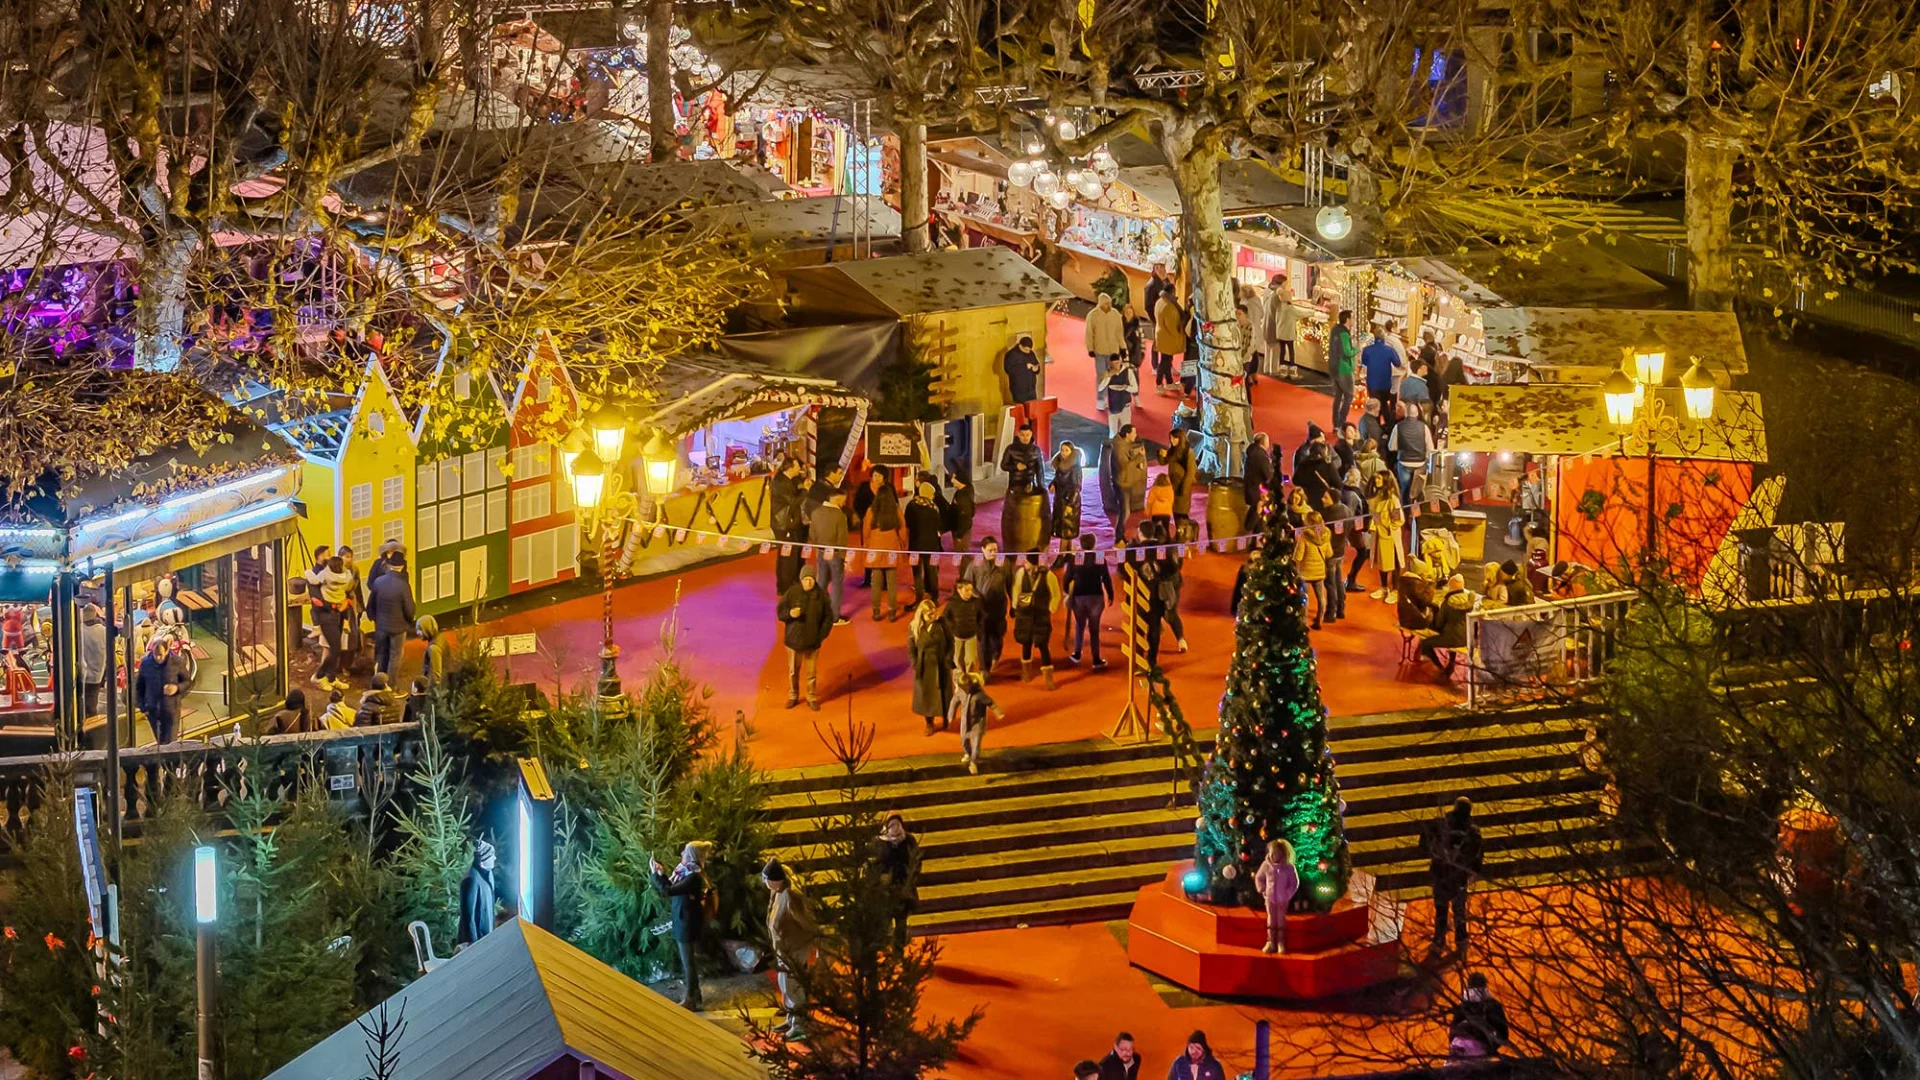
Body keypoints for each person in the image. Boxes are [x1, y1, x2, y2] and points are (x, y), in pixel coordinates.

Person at [649, 841, 715, 1009]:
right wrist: (661, 873)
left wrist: (655, 874)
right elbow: (672, 887)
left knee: (688, 963)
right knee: (688, 961)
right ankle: (696, 995)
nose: (682, 854)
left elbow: (669, 891)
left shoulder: (693, 877)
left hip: (688, 923)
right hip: (683, 921)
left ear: (691, 855)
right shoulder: (685, 872)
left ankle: (690, 998)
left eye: (685, 851)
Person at [762, 858, 819, 1039]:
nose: (765, 882)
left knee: (793, 985)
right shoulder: (776, 893)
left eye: (766, 879)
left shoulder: (791, 896)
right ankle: (791, 1017)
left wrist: (817, 936)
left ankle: (800, 1024)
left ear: (775, 880)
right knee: (784, 984)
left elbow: (805, 920)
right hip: (783, 949)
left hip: (795, 948)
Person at [1423, 797, 1484, 955]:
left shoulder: (1441, 826)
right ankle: (1461, 941)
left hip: (1441, 874)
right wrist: (1473, 873)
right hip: (1459, 877)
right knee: (1459, 911)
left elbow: (1424, 843)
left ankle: (1439, 941)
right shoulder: (1473, 832)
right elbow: (1477, 856)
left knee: (1441, 910)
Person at [779, 564, 834, 711]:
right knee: (793, 671)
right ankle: (793, 695)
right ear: (801, 579)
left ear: (815, 580)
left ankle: (811, 697)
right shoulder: (792, 592)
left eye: (810, 579)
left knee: (811, 673)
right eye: (805, 579)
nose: (808, 582)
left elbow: (828, 618)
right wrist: (790, 614)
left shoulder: (821, 595)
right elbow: (780, 612)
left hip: (812, 642)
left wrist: (820, 635)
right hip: (793, 641)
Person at [869, 814, 922, 947]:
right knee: (885, 919)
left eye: (897, 824)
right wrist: (879, 880)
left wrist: (910, 878)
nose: (895, 828)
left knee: (901, 919)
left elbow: (916, 860)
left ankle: (899, 947)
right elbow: (873, 864)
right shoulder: (878, 843)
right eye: (891, 825)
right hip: (885, 889)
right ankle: (884, 946)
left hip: (903, 886)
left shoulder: (908, 840)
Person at [863, 470, 907, 621]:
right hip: (892, 547)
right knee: (891, 582)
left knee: (875, 582)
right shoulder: (896, 510)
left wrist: (867, 546)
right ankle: (892, 611)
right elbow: (902, 529)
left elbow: (866, 531)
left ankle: (876, 611)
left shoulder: (871, 511)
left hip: (875, 547)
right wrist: (903, 545)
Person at [1012, 554, 1060, 689]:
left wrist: (1050, 608)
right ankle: (1026, 672)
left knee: (1043, 645)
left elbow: (1056, 594)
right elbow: (1016, 589)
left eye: (1027, 562)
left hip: (1041, 615)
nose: (1024, 564)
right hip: (1025, 614)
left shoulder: (1048, 575)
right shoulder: (1021, 573)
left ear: (1033, 563)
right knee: (1026, 643)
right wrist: (1015, 606)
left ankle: (1048, 678)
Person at [965, 539, 1011, 678]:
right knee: (982, 638)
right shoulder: (974, 565)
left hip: (998, 608)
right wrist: (974, 598)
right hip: (981, 609)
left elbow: (1010, 584)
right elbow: (967, 584)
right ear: (982, 549)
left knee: (996, 636)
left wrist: (1014, 604)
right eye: (990, 550)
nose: (993, 553)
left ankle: (996, 654)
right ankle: (984, 669)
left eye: (995, 550)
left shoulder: (1004, 564)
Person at [908, 600, 954, 735]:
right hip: (924, 667)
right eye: (929, 614)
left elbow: (951, 642)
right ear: (922, 614)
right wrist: (915, 664)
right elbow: (911, 649)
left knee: (944, 694)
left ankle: (946, 718)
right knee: (926, 696)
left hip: (941, 664)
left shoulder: (942, 624)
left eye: (934, 613)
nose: (933, 616)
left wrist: (948, 658)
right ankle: (929, 723)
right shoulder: (914, 628)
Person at [367, 552, 415, 679]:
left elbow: (371, 604)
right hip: (398, 627)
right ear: (402, 567)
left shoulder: (378, 582)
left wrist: (374, 618)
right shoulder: (403, 585)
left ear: (389, 565)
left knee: (381, 654)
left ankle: (378, 682)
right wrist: (408, 621)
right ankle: (391, 685)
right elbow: (409, 609)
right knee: (395, 656)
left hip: (381, 626)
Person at [135, 635, 188, 745]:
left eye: (161, 655)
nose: (158, 658)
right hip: (152, 710)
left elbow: (188, 682)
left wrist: (177, 688)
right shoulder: (145, 663)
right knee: (160, 742)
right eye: (156, 655)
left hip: (171, 710)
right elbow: (139, 687)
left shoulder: (177, 662)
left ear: (167, 651)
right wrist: (143, 707)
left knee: (171, 743)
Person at [311, 553, 353, 691]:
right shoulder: (346, 576)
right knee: (335, 648)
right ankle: (319, 676)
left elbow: (313, 581)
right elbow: (349, 589)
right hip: (333, 614)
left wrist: (307, 573)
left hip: (331, 614)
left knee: (334, 648)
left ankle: (331, 677)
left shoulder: (324, 575)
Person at [948, 671, 1003, 775]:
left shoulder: (979, 694)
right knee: (964, 740)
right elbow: (954, 702)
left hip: (977, 721)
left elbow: (990, 703)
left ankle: (973, 762)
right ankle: (968, 754)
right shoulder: (960, 693)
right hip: (965, 720)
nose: (964, 689)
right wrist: (951, 715)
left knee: (976, 743)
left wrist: (998, 712)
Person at [809, 489, 851, 623]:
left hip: (820, 551)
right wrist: (843, 557)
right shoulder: (840, 516)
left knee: (821, 582)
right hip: (835, 553)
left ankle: (818, 612)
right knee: (837, 584)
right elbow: (842, 539)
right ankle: (834, 616)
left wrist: (818, 547)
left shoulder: (815, 513)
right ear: (837, 499)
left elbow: (812, 535)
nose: (844, 504)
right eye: (843, 501)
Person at [1421, 573, 1474, 674]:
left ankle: (1440, 667)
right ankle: (1451, 664)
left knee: (1425, 643)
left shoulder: (1447, 603)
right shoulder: (1469, 601)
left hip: (1453, 639)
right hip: (1467, 637)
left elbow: (1439, 624)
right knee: (1451, 637)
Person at [1448, 972, 1510, 1057]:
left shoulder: (1462, 1005)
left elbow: (1453, 1027)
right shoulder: (1493, 1005)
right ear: (1485, 985)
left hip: (1457, 1044)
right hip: (1481, 1046)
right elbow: (1503, 1033)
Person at [1254, 839, 1300, 953]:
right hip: (1270, 899)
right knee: (1271, 920)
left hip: (1282, 900)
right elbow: (1259, 877)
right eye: (1271, 853)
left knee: (1280, 920)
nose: (1273, 856)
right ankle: (1270, 941)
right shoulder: (1266, 865)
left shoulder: (1289, 867)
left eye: (1276, 853)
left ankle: (1280, 942)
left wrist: (1287, 895)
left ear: (1282, 854)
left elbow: (1294, 883)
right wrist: (1263, 889)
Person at [1103, 424, 1148, 540]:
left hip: (1125, 480)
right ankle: (1119, 536)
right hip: (1122, 483)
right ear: (1127, 434)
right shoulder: (1119, 448)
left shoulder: (1122, 444)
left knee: (1125, 510)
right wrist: (1139, 457)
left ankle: (1120, 534)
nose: (1136, 435)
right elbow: (1124, 467)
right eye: (1134, 433)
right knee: (1125, 511)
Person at [1367, 472, 1406, 604]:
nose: (1376, 480)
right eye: (1375, 478)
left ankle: (1395, 589)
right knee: (1381, 562)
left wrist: (1389, 529)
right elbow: (1375, 515)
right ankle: (1383, 587)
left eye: (1379, 478)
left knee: (1394, 562)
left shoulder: (1392, 499)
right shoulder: (1377, 497)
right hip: (1379, 534)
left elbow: (1398, 519)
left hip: (1390, 535)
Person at [906, 481, 947, 605]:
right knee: (932, 572)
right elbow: (938, 525)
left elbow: (907, 522)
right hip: (931, 546)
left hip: (915, 545)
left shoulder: (911, 505)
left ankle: (919, 598)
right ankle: (935, 597)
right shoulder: (933, 508)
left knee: (917, 573)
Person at [771, 457, 808, 594]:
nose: (799, 469)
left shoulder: (792, 480)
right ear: (790, 468)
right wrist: (805, 491)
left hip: (792, 522)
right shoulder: (780, 482)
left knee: (793, 554)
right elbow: (792, 501)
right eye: (797, 466)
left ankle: (790, 583)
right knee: (788, 556)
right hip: (784, 524)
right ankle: (786, 586)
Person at [1388, 401, 1433, 505]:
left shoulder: (1398, 427)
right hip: (1420, 463)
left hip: (1404, 462)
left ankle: (1406, 509)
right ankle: (1418, 509)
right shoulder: (1424, 427)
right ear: (1417, 413)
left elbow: (1391, 447)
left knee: (1405, 489)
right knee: (1418, 490)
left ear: (1405, 414)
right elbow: (1430, 448)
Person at [456, 838, 498, 947]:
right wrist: (473, 944)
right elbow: (468, 916)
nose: (495, 858)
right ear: (484, 859)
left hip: (486, 937)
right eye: (491, 855)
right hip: (476, 941)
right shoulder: (471, 880)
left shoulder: (488, 875)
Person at [1319, 491, 1353, 623]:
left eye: (1326, 497)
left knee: (1330, 583)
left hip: (1330, 552)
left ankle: (1331, 611)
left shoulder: (1328, 515)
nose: (1322, 499)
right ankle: (1341, 609)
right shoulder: (1346, 510)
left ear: (1332, 499)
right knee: (1338, 580)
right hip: (1340, 551)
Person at [1359, 327, 1403, 426]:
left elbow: (1364, 362)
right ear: (1384, 337)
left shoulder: (1367, 350)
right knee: (1384, 404)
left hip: (1372, 383)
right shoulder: (1389, 350)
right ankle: (1389, 425)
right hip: (1385, 383)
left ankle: (1376, 427)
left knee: (1375, 406)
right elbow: (1397, 363)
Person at [1298, 512, 1334, 629]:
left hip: (1305, 573)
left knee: (1305, 598)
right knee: (1321, 597)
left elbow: (1298, 556)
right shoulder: (1325, 535)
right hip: (1319, 572)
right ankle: (1319, 621)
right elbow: (1329, 553)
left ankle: (1304, 623)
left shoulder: (1304, 536)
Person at [1084, 292, 1126, 387]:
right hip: (1100, 351)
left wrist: (1122, 347)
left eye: (1110, 303)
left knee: (1114, 376)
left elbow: (1119, 333)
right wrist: (1090, 349)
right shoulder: (1093, 315)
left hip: (1113, 351)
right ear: (1101, 304)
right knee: (1102, 376)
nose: (1109, 305)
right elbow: (1089, 334)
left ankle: (1112, 394)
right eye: (1106, 303)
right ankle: (1101, 395)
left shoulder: (1115, 314)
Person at [1328, 309, 1358, 432]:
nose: (1353, 320)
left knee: (1338, 396)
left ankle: (1335, 424)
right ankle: (1341, 423)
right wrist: (1357, 349)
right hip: (1344, 368)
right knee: (1349, 396)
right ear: (1347, 319)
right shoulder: (1344, 334)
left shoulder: (1334, 330)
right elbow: (1347, 352)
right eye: (1352, 318)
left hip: (1333, 367)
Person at [1265, 273, 1299, 379]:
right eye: (1285, 282)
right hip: (1277, 325)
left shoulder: (1269, 291)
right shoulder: (1278, 293)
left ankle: (1268, 369)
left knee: (1270, 349)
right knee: (1276, 350)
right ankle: (1275, 370)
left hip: (1268, 324)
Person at [1162, 429, 1196, 527]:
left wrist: (1184, 488)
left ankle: (1186, 532)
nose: (1172, 441)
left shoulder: (1188, 452)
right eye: (1171, 438)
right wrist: (1161, 455)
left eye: (1174, 438)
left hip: (1182, 485)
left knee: (1181, 512)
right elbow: (1164, 462)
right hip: (1173, 484)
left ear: (1180, 438)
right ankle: (1181, 532)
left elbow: (1190, 472)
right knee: (1175, 511)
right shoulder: (1172, 450)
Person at [1050, 442, 1084, 541]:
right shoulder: (1060, 465)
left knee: (1067, 529)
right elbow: (1058, 478)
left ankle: (1064, 549)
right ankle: (1067, 549)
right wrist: (1053, 484)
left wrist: (1070, 504)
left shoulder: (1075, 468)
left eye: (1066, 450)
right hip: (1060, 499)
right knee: (1063, 528)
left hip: (1069, 501)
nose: (1064, 453)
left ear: (1071, 452)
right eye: (1062, 450)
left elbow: (1076, 487)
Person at [79, 603, 108, 720]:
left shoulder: (78, 630)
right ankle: (92, 723)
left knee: (80, 702)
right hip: (97, 674)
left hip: (81, 673)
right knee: (92, 702)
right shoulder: (104, 631)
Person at [1153, 292, 1185, 390]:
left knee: (1167, 360)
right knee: (1165, 361)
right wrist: (1178, 336)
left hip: (1161, 335)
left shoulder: (1160, 301)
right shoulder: (1169, 306)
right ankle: (1159, 383)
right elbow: (1171, 326)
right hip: (1168, 337)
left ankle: (1169, 381)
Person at [1242, 432, 1274, 531]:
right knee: (1257, 514)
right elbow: (1268, 475)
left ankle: (1256, 532)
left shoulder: (1251, 452)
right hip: (1258, 492)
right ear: (1264, 442)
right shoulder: (1261, 456)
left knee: (1256, 514)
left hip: (1250, 489)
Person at [1100, 355, 1138, 436]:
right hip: (1113, 407)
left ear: (1120, 361)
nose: (1116, 366)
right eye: (1114, 364)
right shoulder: (1108, 373)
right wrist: (1109, 376)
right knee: (1113, 433)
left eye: (1117, 363)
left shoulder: (1128, 372)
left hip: (1125, 406)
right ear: (1110, 363)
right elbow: (1100, 388)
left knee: (1126, 432)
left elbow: (1135, 388)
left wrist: (1125, 387)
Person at [1003, 334, 1041, 404]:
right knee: (1021, 409)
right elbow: (1009, 370)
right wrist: (1025, 367)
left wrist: (1036, 369)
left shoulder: (1031, 353)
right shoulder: (1011, 355)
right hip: (1019, 390)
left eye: (1029, 350)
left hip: (1031, 389)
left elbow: (1036, 365)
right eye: (1026, 350)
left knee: (1032, 408)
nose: (1028, 352)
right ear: (1020, 346)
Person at [947, 472, 976, 555]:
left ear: (960, 480)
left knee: (961, 555)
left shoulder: (964, 498)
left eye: (954, 478)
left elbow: (965, 517)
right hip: (959, 528)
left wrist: (959, 534)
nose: (952, 480)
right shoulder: (963, 491)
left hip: (962, 531)